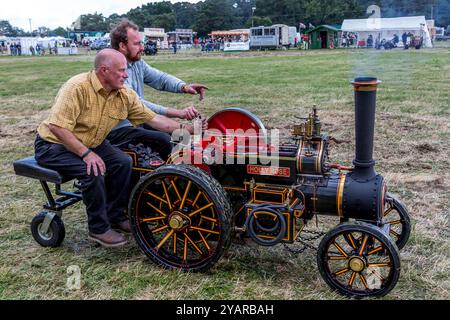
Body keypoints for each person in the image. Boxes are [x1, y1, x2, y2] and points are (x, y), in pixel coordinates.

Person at [34, 49, 191, 248]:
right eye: (122, 70)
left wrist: (188, 129)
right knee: (92, 169)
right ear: (104, 71)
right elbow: (57, 127)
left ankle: (116, 215)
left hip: (92, 141)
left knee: (123, 162)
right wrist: (86, 154)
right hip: (54, 144)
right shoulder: (77, 87)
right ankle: (98, 229)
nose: (126, 75)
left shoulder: (124, 94)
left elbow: (154, 120)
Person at [107, 19, 208, 157]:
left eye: (141, 43)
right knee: (165, 140)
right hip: (119, 129)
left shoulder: (137, 63)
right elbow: (138, 105)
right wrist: (179, 113)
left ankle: (175, 173)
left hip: (138, 122)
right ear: (122, 46)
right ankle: (161, 175)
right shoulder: (114, 70)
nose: (142, 48)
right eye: (137, 44)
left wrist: (184, 86)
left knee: (179, 137)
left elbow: (160, 78)